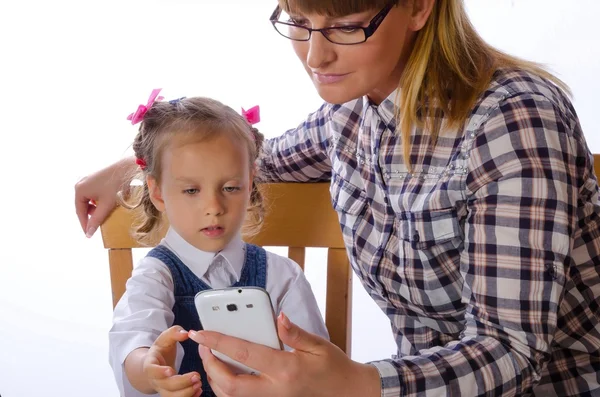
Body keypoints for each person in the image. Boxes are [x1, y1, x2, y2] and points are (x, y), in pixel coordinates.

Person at [77, 0, 600, 395]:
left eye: (347, 26)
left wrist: (357, 384)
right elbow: (256, 157)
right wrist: (138, 162)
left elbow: (511, 349)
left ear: (419, 6)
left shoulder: (515, 121)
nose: (315, 54)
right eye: (298, 21)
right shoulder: (352, 113)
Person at [108, 91, 328, 397]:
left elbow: (319, 374)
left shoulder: (283, 277)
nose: (213, 206)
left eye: (230, 187)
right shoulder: (155, 276)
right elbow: (132, 340)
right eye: (191, 190)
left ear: (250, 183)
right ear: (158, 193)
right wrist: (149, 367)